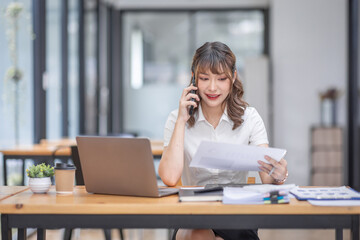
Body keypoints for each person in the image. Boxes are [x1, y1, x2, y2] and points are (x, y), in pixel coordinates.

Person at [158, 41, 288, 240]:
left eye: (221, 79)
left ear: (233, 77)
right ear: (193, 78)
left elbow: (267, 177)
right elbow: (168, 177)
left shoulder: (249, 117)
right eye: (204, 78)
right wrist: (182, 120)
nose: (212, 87)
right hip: (195, 213)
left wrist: (278, 174)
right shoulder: (177, 118)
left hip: (237, 213)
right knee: (197, 235)